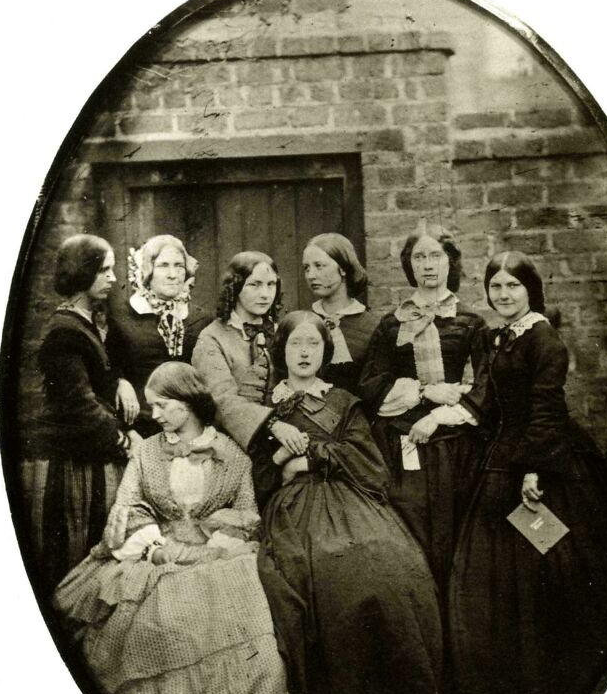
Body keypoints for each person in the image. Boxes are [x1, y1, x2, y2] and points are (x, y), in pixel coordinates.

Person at [53, 363, 309, 694]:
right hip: (155, 552)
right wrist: (155, 547)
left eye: (160, 405)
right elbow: (127, 507)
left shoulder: (231, 455)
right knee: (152, 619)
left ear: (186, 405)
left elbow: (249, 516)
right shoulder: (145, 454)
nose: (152, 415)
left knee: (240, 603)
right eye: (151, 406)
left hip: (217, 556)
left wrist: (217, 538)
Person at [449, 251, 607, 694]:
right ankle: (504, 675)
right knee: (494, 564)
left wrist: (533, 470)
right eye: (496, 287)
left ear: (530, 289)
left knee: (546, 555)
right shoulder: (499, 338)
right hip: (503, 454)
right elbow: (490, 400)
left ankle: (558, 675)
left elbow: (546, 410)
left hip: (542, 460)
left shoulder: (544, 340)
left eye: (513, 286)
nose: (504, 294)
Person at [253, 311, 444, 694]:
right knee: (323, 565)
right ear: (280, 349)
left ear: (325, 352)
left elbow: (369, 463)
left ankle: (396, 691)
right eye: (295, 344)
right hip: (293, 507)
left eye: (313, 345)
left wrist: (308, 460)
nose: (304, 353)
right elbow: (259, 473)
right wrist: (281, 457)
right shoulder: (263, 409)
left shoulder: (343, 401)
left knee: (387, 558)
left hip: (349, 496)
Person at [359, 226, 488, 597]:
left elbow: (484, 387)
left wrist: (439, 415)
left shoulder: (470, 322)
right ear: (408, 265)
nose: (427, 265)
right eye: (419, 257)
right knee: (411, 525)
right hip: (404, 443)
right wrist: (425, 391)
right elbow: (372, 384)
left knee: (456, 532)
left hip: (454, 444)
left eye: (435, 256)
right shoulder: (392, 323)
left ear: (450, 262)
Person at [21, 234, 140, 593]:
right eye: (104, 270)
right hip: (71, 464)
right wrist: (124, 439)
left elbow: (102, 370)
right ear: (82, 272)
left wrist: (119, 380)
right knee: (75, 556)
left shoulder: (87, 322)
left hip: (88, 456)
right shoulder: (64, 333)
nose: (114, 277)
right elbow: (80, 405)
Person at [192, 251, 307, 460]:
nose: (265, 294)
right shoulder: (211, 338)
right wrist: (271, 425)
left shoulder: (282, 331)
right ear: (235, 287)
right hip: (234, 444)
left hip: (289, 437)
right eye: (254, 285)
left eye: (271, 284)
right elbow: (222, 400)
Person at [110, 234, 211, 436]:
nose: (173, 274)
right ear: (148, 270)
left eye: (179, 266)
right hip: (140, 426)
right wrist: (119, 381)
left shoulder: (201, 319)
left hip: (190, 426)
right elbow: (107, 366)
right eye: (163, 265)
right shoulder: (122, 317)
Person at [302, 232, 381, 396]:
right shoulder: (302, 322)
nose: (311, 275)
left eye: (319, 266)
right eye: (306, 268)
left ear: (343, 269)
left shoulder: (373, 327)